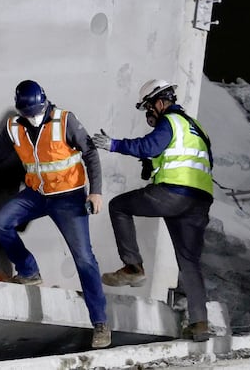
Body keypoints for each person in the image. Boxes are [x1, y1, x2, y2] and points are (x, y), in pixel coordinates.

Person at [0, 80, 111, 349]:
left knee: (84, 258)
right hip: (36, 195)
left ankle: (101, 323)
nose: (34, 117)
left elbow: (90, 154)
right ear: (20, 110)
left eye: (37, 111)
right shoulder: (14, 127)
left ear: (45, 103)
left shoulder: (65, 121)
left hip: (69, 198)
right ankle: (29, 271)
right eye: (28, 113)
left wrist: (97, 192)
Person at [92, 79, 214, 342]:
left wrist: (112, 144)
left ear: (160, 102)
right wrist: (151, 164)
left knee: (119, 206)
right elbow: (183, 157)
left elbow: (149, 146)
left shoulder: (169, 121)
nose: (148, 112)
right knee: (189, 262)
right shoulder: (195, 127)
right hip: (199, 200)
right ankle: (200, 324)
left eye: (149, 106)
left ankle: (133, 267)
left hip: (174, 193)